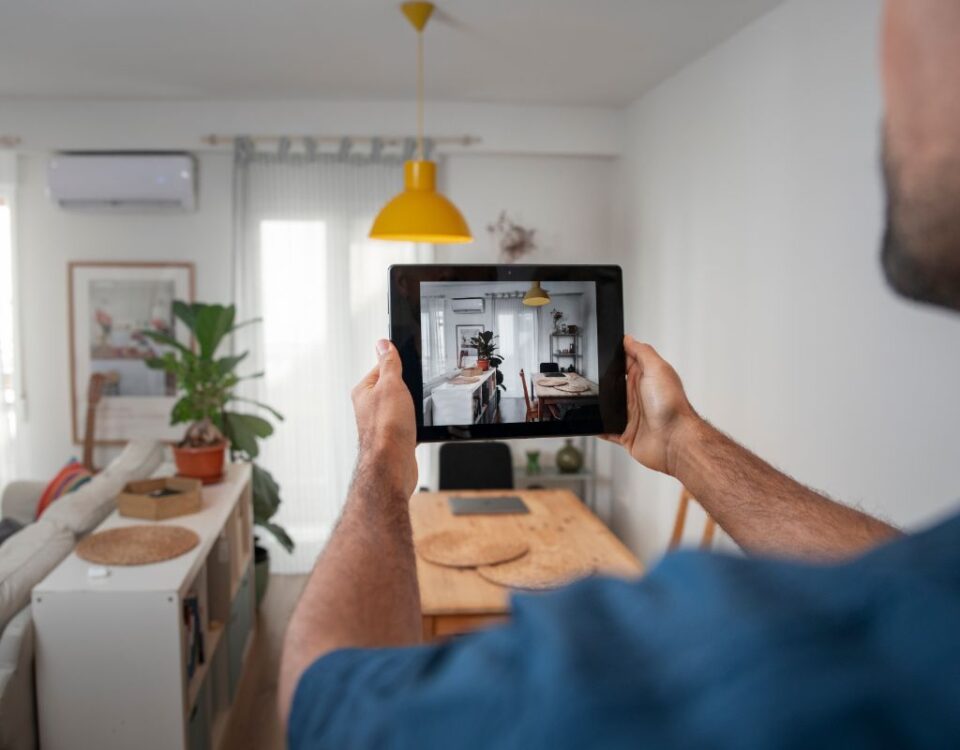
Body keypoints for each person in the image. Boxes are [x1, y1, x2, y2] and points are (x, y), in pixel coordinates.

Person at [279, 0, 960, 746]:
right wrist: (683, 440)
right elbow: (893, 592)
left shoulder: (698, 672)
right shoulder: (929, 607)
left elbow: (333, 707)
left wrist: (381, 466)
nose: (889, 27)